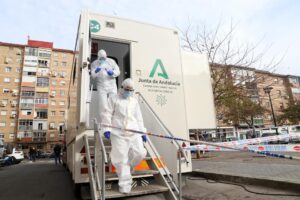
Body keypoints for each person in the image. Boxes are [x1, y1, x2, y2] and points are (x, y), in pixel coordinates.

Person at [101, 78, 147, 194]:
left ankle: (128, 166)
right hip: (118, 133)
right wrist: (106, 128)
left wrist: (142, 133)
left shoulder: (134, 101)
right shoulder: (113, 98)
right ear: (122, 88)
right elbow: (107, 113)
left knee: (140, 152)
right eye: (127, 89)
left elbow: (139, 118)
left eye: (131, 90)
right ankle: (125, 186)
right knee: (121, 159)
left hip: (134, 132)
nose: (129, 91)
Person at [91, 49, 120, 120]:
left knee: (113, 103)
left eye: (103, 58)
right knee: (103, 105)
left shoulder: (111, 61)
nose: (102, 59)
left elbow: (118, 71)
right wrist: (96, 71)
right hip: (101, 86)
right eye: (100, 58)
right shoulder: (94, 64)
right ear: (98, 57)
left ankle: (114, 121)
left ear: (106, 56)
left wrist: (112, 73)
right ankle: (105, 124)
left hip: (112, 85)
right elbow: (92, 76)